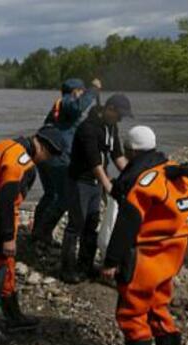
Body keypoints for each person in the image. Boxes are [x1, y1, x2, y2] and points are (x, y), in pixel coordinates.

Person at [102, 126, 188, 345]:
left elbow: (127, 223)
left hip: (148, 251)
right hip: (175, 249)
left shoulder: (144, 181)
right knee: (158, 301)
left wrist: (111, 261)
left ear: (131, 151)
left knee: (132, 308)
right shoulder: (176, 172)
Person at [0, 126, 64, 345]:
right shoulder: (20, 160)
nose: (47, 161)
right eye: (49, 156)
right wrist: (8, 236)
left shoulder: (7, 145)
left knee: (7, 268)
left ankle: (14, 317)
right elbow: (6, 199)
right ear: (42, 147)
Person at [60, 94, 131, 284]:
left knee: (92, 223)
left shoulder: (111, 127)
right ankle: (66, 268)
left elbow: (117, 156)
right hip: (80, 182)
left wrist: (135, 175)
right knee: (76, 224)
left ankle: (85, 265)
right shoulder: (87, 128)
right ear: (110, 109)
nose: (121, 119)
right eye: (120, 115)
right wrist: (109, 186)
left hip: (95, 183)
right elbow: (94, 162)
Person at [32, 78, 101, 246]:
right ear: (75, 91)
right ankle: (44, 232)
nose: (83, 95)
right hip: (57, 157)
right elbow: (78, 108)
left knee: (50, 194)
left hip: (43, 155)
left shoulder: (58, 107)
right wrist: (93, 90)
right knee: (64, 197)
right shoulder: (68, 102)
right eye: (82, 92)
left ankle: (37, 230)